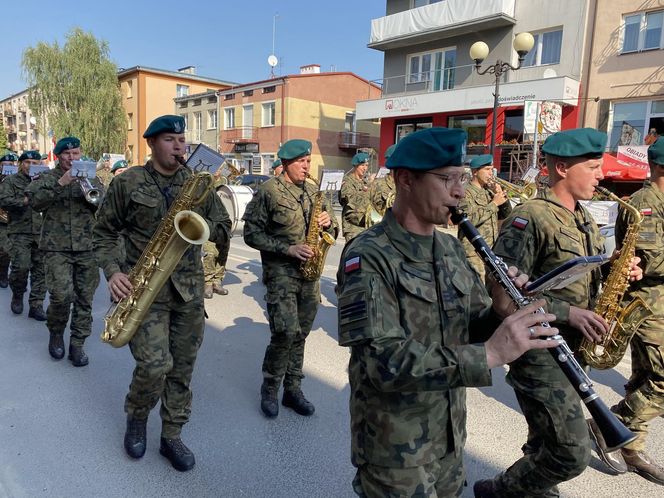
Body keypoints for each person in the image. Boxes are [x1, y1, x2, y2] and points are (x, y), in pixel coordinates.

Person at [335, 127, 562, 497]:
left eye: (463, 178)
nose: (459, 191)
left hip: (450, 437)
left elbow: (472, 325)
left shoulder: (451, 249)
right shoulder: (369, 255)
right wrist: (489, 354)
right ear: (406, 179)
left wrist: (502, 311)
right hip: (396, 450)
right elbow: (381, 362)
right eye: (447, 179)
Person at [474, 128, 643, 497]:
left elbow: (585, 273)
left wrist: (619, 268)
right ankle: (501, 490)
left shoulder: (582, 217)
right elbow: (503, 296)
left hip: (572, 348)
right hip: (538, 349)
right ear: (563, 167)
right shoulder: (530, 216)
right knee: (571, 451)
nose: (602, 175)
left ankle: (534, 487)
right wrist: (570, 313)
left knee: (546, 437)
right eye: (595, 166)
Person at [93, 115, 231, 472]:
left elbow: (222, 225)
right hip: (143, 290)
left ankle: (172, 434)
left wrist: (205, 225)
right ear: (152, 143)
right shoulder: (129, 183)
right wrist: (113, 272)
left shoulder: (197, 182)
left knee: (182, 369)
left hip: (187, 292)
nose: (179, 146)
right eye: (170, 139)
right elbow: (103, 233)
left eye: (182, 139)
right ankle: (137, 417)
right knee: (155, 365)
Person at [243, 139, 339, 419]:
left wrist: (327, 222)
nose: (306, 166)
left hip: (310, 275)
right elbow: (251, 234)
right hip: (281, 274)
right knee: (284, 333)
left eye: (308, 161)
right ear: (286, 163)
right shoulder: (268, 191)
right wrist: (288, 249)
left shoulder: (313, 190)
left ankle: (293, 389)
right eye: (301, 162)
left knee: (301, 335)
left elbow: (334, 224)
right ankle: (270, 388)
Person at [589, 136, 664, 485]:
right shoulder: (645, 203)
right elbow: (648, 259)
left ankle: (630, 445)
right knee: (659, 383)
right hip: (649, 306)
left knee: (643, 380)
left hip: (658, 304)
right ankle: (609, 424)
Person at [26, 137, 103, 366]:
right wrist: (61, 182)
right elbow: (35, 202)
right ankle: (57, 333)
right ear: (58, 156)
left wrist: (90, 188)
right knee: (60, 297)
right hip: (56, 247)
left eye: (76, 153)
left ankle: (77, 344)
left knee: (84, 298)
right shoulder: (46, 178)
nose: (72, 158)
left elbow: (103, 203)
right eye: (67, 154)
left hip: (87, 247)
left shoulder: (91, 177)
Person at [0, 150, 46, 319]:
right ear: (21, 164)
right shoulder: (12, 181)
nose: (31, 166)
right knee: (21, 267)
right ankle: (18, 295)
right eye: (28, 162)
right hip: (19, 231)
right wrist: (24, 201)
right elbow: (3, 200)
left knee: (41, 270)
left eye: (35, 163)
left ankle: (36, 304)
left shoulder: (45, 180)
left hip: (42, 232)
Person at [457, 154, 511, 281]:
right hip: (473, 253)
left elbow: (506, 216)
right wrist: (494, 204)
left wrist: (502, 197)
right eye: (487, 169)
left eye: (492, 169)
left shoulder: (488, 192)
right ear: (475, 172)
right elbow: (467, 221)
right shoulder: (465, 193)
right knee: (477, 295)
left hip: (491, 252)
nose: (491, 173)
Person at [339, 151, 371, 242]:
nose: (365, 168)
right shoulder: (347, 182)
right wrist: (366, 192)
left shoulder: (365, 182)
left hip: (365, 225)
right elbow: (351, 201)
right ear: (355, 166)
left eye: (367, 165)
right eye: (362, 165)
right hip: (353, 227)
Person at [0, 152, 18, 288]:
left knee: (9, 251)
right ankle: (3, 274)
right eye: (5, 165)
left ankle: (5, 274)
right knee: (3, 250)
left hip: (14, 220)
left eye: (11, 165)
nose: (8, 168)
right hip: (1, 220)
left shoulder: (18, 180)